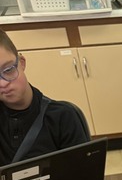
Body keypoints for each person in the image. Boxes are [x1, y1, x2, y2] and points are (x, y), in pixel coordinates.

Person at [0, 30, 90, 166]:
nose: (3, 83)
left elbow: (83, 176)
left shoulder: (63, 117)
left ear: (22, 63)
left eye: (8, 70)